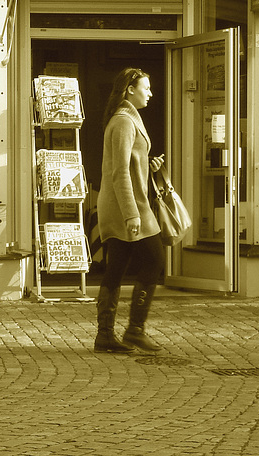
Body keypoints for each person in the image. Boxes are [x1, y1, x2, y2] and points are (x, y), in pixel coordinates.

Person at [94, 67, 165, 353]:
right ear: (130, 90)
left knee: (117, 268)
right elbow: (119, 172)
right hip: (129, 207)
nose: (150, 93)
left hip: (126, 205)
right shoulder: (124, 122)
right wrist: (131, 214)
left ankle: (106, 335)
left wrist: (149, 165)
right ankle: (134, 330)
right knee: (155, 260)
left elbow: (130, 165)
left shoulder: (125, 119)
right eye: (145, 88)